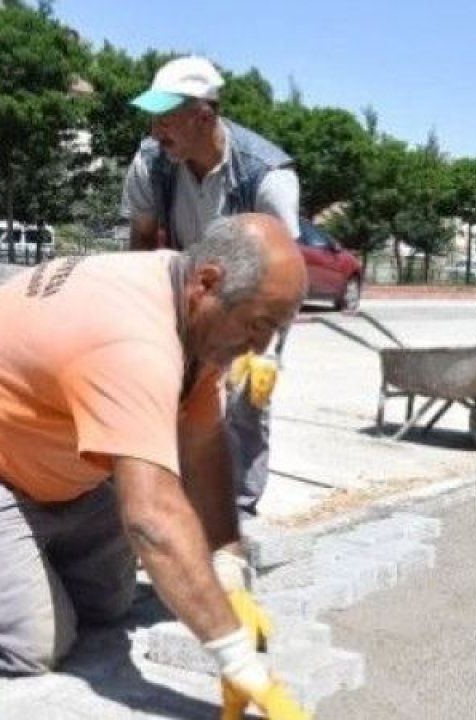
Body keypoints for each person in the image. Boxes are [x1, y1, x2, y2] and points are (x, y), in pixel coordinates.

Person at [0, 214, 310, 719]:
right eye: (259, 324)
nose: (261, 347)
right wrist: (237, 660)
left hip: (55, 465)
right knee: (31, 642)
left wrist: (227, 565)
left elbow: (202, 442)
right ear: (208, 282)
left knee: (107, 607)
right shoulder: (133, 338)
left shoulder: (192, 311)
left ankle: (1, 567)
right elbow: (152, 520)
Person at [121, 55, 301, 516]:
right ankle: (174, 504)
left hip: (252, 300)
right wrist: (138, 320)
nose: (156, 130)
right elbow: (141, 239)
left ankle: (238, 514)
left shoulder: (266, 176)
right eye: (152, 118)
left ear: (202, 115)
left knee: (246, 400)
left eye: (166, 118)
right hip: (188, 293)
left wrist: (268, 352)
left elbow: (285, 271)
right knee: (172, 393)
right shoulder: (152, 162)